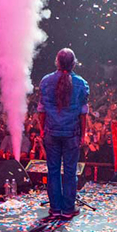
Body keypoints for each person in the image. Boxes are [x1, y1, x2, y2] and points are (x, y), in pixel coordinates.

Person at [37, 48, 89, 220]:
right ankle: (68, 209)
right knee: (69, 171)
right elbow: (83, 113)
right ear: (74, 63)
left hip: (51, 132)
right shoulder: (81, 83)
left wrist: (42, 130)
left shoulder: (45, 81)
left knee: (52, 171)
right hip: (71, 133)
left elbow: (41, 111)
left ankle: (55, 208)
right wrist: (83, 134)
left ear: (57, 62)